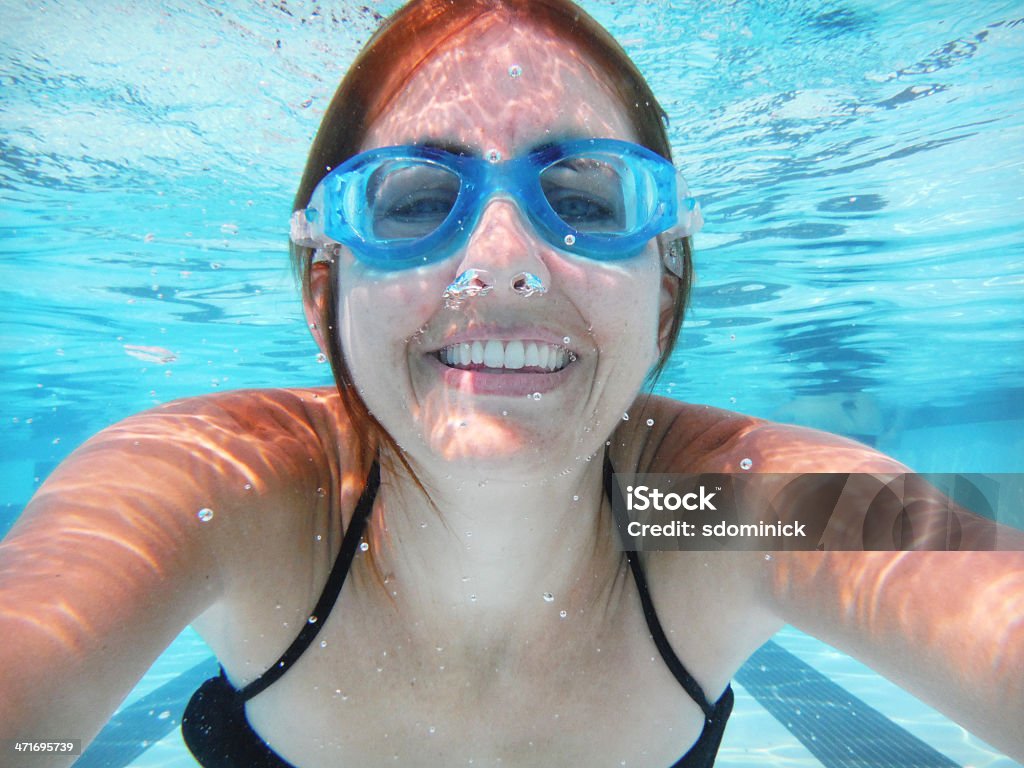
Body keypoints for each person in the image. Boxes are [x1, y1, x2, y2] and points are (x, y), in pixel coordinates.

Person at [1, 1, 1022, 766]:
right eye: (413, 203)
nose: (503, 259)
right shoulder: (236, 496)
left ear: (663, 292)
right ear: (325, 291)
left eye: (583, 195)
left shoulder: (699, 509)